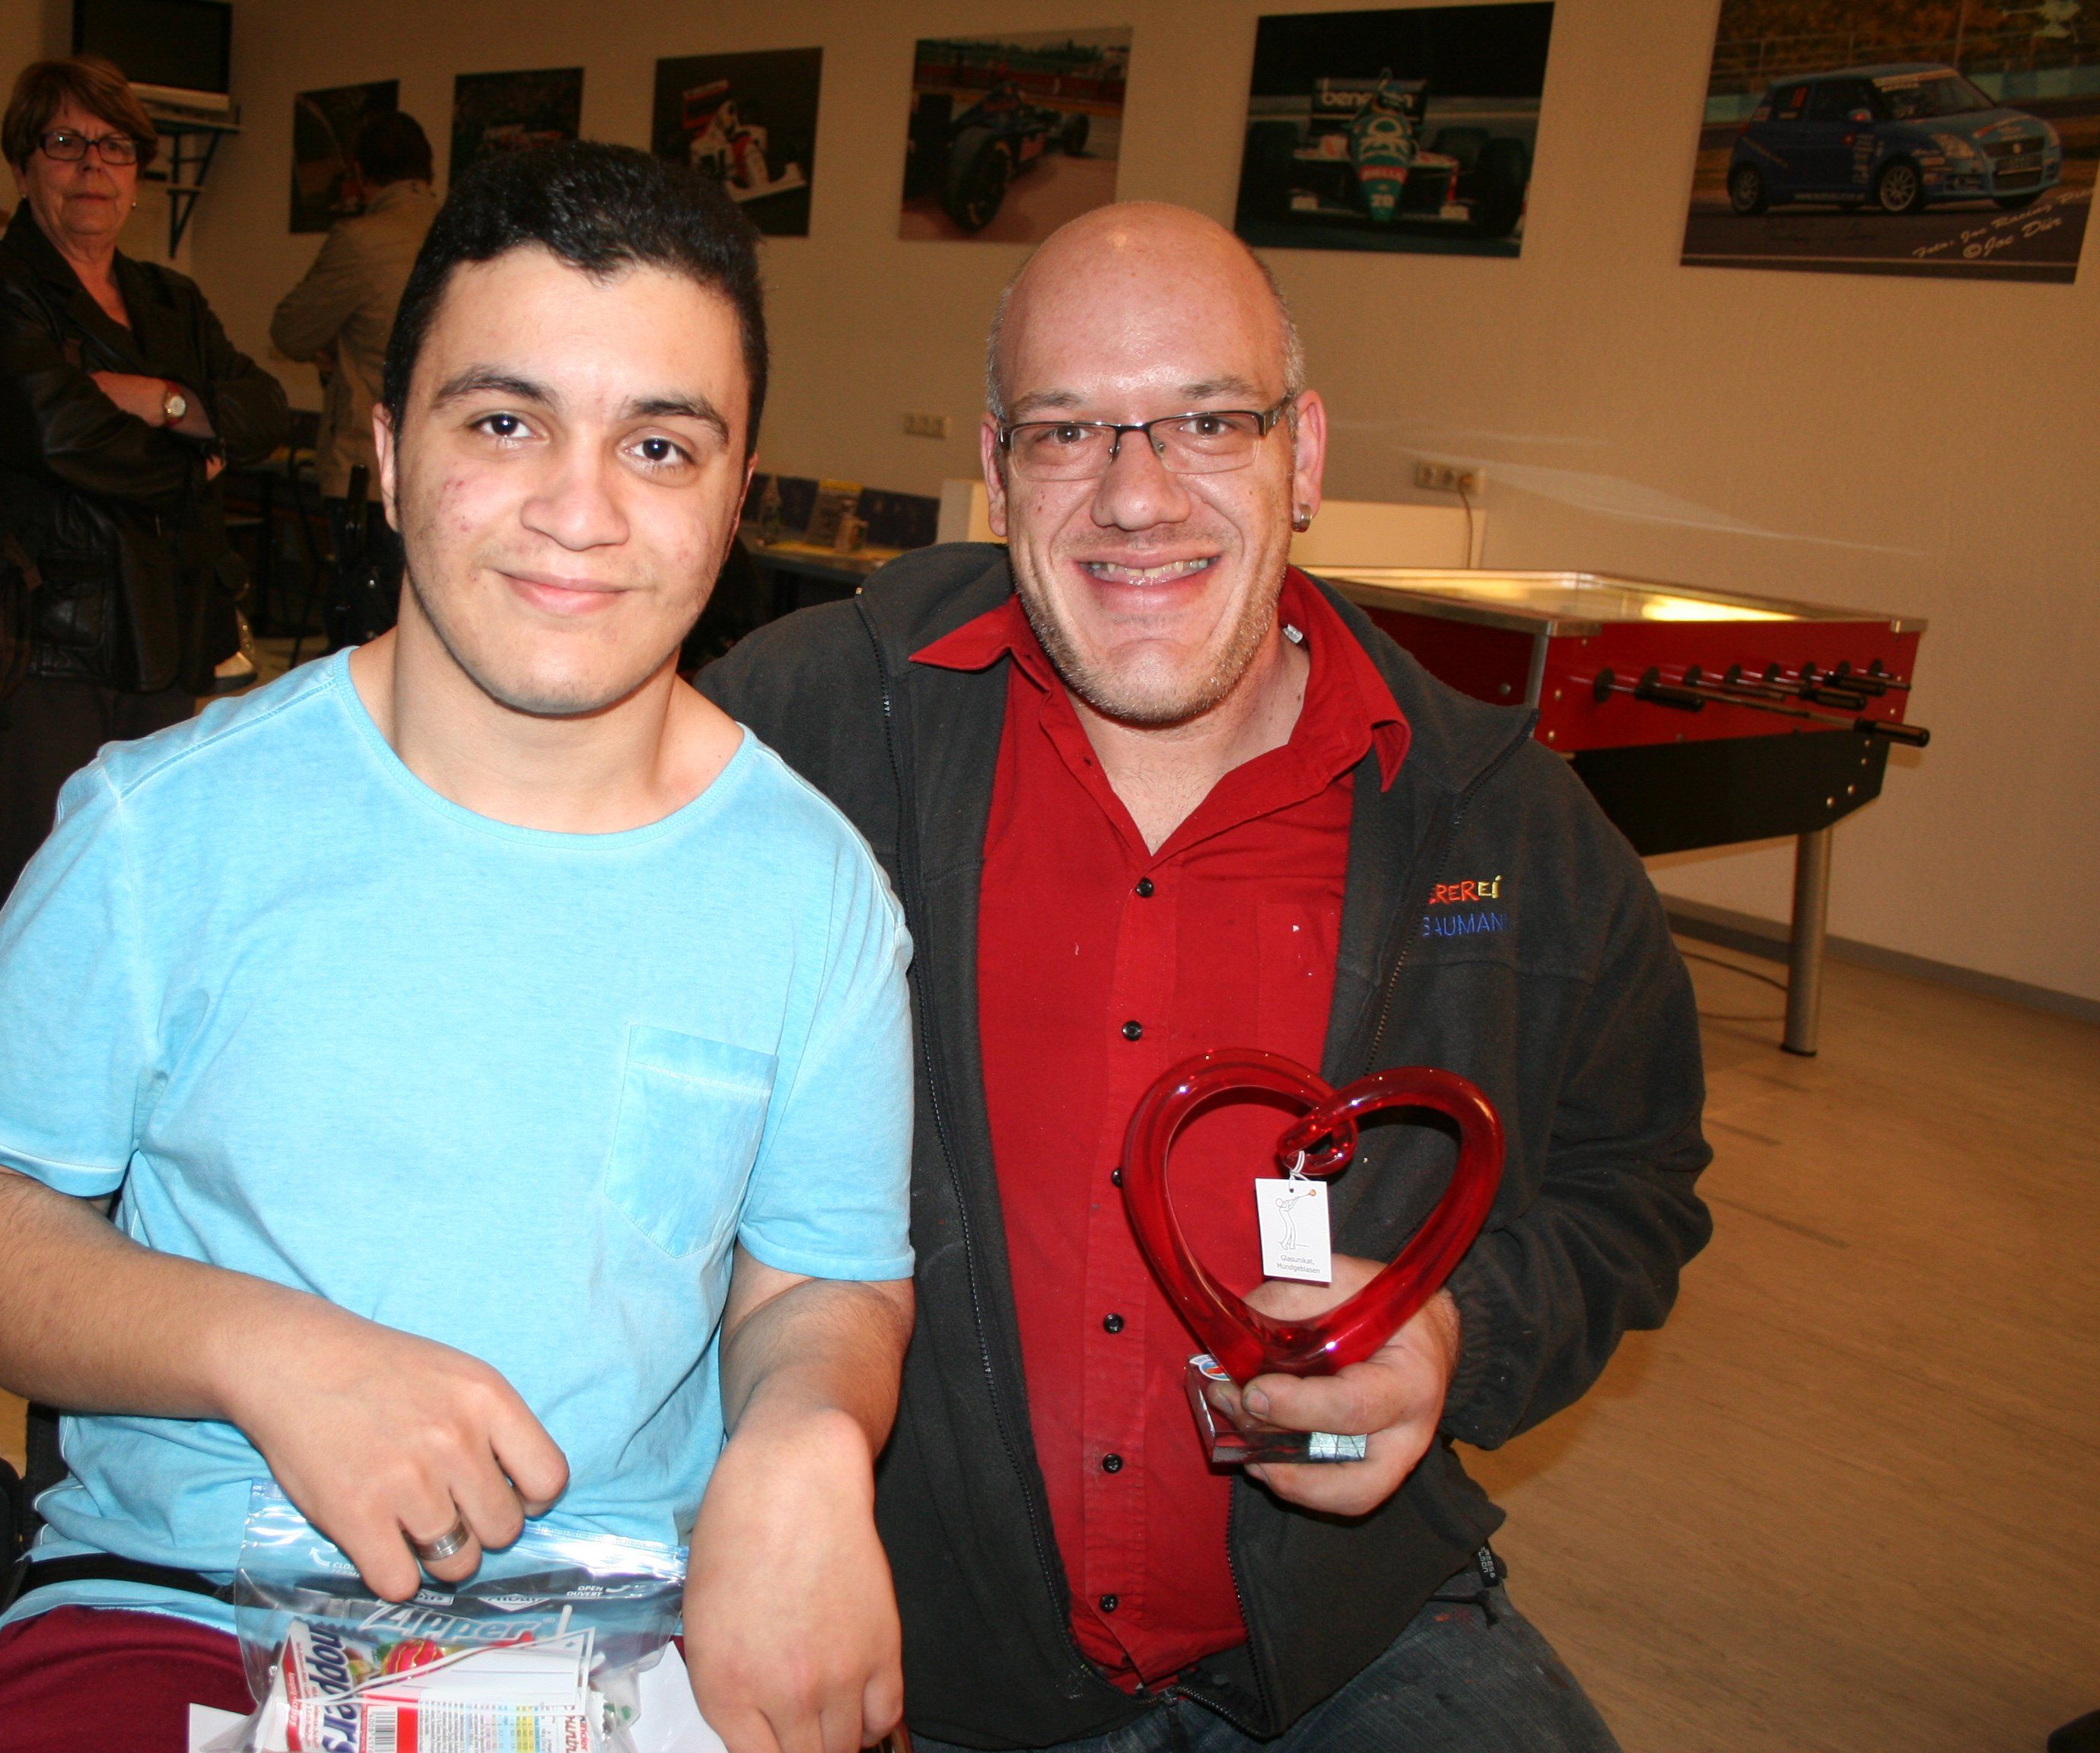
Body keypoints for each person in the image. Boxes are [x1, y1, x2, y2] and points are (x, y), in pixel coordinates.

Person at [0, 142, 915, 1753]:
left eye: (657, 445)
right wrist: (267, 1354)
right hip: (179, 1598)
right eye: (504, 423)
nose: (579, 512)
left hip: (624, 1624)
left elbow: (823, 1283)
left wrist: (808, 1440)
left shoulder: (812, 887)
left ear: (735, 494)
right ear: (383, 448)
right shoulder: (165, 828)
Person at [699, 202, 1713, 1750]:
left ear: (1304, 456)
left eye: (1209, 421)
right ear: (997, 470)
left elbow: (1631, 1177)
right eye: (1067, 432)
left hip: (1341, 1633)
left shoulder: (1500, 819)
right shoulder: (808, 730)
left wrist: (1455, 1333)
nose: (1136, 496)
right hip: (912, 1649)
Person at [0, 55, 288, 949]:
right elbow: (59, 434)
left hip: (161, 634)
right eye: (65, 142)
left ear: (136, 174)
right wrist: (193, 452)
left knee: (139, 879)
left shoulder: (172, 298)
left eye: (114, 146)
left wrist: (159, 399)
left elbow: (265, 410)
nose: (93, 165)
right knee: (41, 884)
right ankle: (15, 1044)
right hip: (36, 641)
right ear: (24, 165)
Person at [270, 109, 439, 645]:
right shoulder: (468, 233)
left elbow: (291, 331)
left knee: (366, 630)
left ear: (359, 172)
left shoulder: (361, 241)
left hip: (367, 469)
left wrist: (338, 342)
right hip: (456, 466)